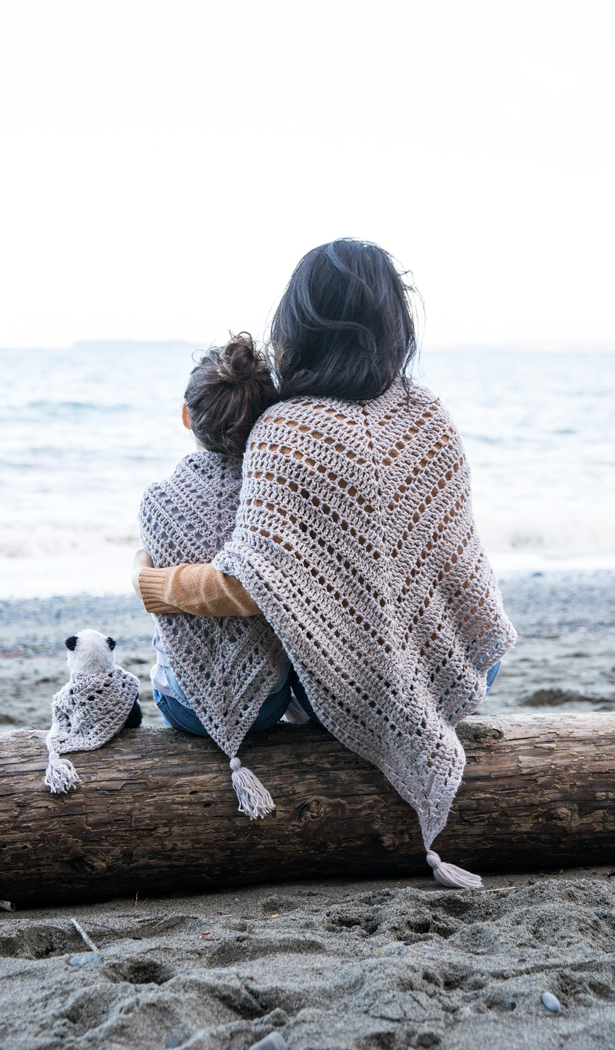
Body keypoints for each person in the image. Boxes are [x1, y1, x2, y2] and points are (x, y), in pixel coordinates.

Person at [133, 239, 516, 886]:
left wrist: (156, 585)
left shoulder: (286, 427)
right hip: (467, 663)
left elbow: (248, 584)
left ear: (298, 326)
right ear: (395, 326)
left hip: (358, 685)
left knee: (275, 655)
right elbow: (455, 561)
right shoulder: (428, 413)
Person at [137, 332, 312, 819]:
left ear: (187, 416)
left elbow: (154, 573)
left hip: (183, 710)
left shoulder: (158, 499)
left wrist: (139, 567)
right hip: (268, 704)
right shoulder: (273, 497)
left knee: (166, 652)